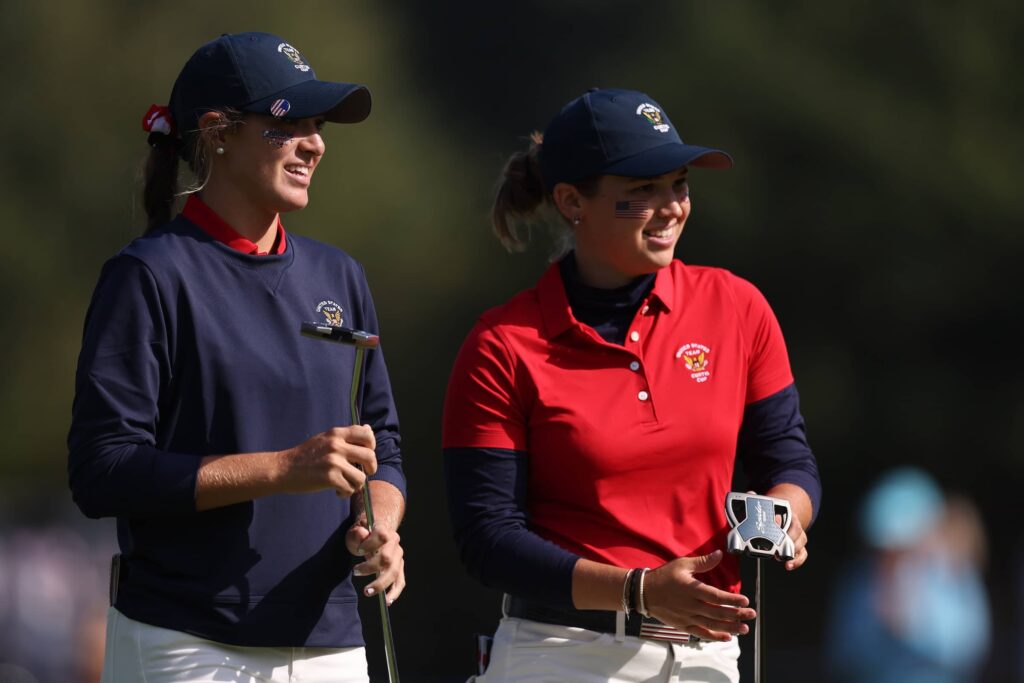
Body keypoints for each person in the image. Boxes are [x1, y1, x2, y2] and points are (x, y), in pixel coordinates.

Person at [442, 88, 821, 682]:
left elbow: (787, 457)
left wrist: (788, 514)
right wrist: (638, 591)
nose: (670, 206)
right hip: (561, 653)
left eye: (678, 184)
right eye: (641, 191)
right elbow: (488, 540)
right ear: (571, 201)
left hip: (709, 657)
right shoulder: (502, 343)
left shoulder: (738, 307)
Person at [67, 32, 406, 683]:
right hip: (188, 643)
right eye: (290, 124)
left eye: (319, 125)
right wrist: (282, 467)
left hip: (329, 644)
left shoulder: (340, 277)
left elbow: (381, 442)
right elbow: (102, 469)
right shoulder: (148, 276)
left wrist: (382, 524)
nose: (316, 142)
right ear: (219, 132)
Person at [824, 468, 991, 683]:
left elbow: (968, 648)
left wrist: (910, 625)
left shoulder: (953, 572)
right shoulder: (860, 578)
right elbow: (843, 654)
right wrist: (879, 626)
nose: (893, 557)